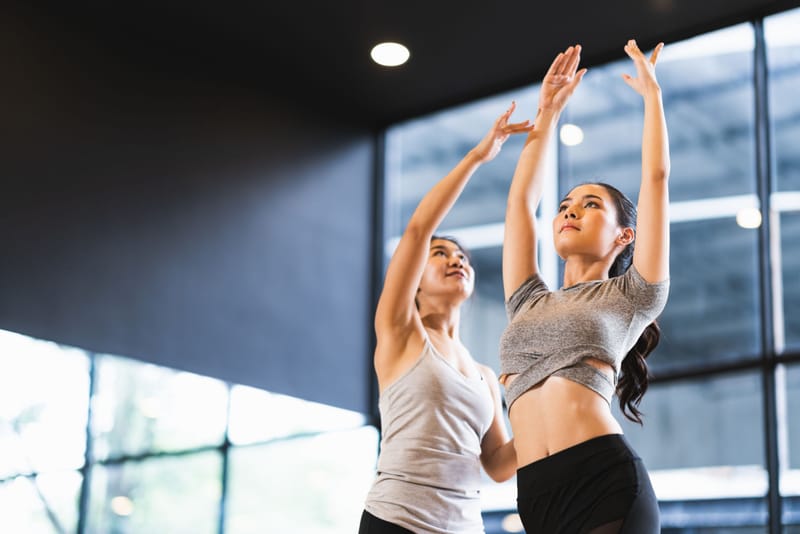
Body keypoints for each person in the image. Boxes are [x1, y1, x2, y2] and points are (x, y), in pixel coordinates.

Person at [499, 41, 670, 533]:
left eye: (591, 204)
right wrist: (547, 112)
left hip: (603, 481)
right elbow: (519, 206)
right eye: (566, 204)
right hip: (535, 495)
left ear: (624, 235)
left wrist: (652, 99)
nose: (570, 210)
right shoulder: (527, 300)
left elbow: (656, 179)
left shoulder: (634, 296)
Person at [359, 104, 532, 534]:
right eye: (441, 254)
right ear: (413, 281)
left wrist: (546, 409)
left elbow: (497, 464)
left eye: (461, 256)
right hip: (396, 520)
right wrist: (478, 157)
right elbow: (418, 228)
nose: (456, 260)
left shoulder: (485, 376)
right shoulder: (400, 331)